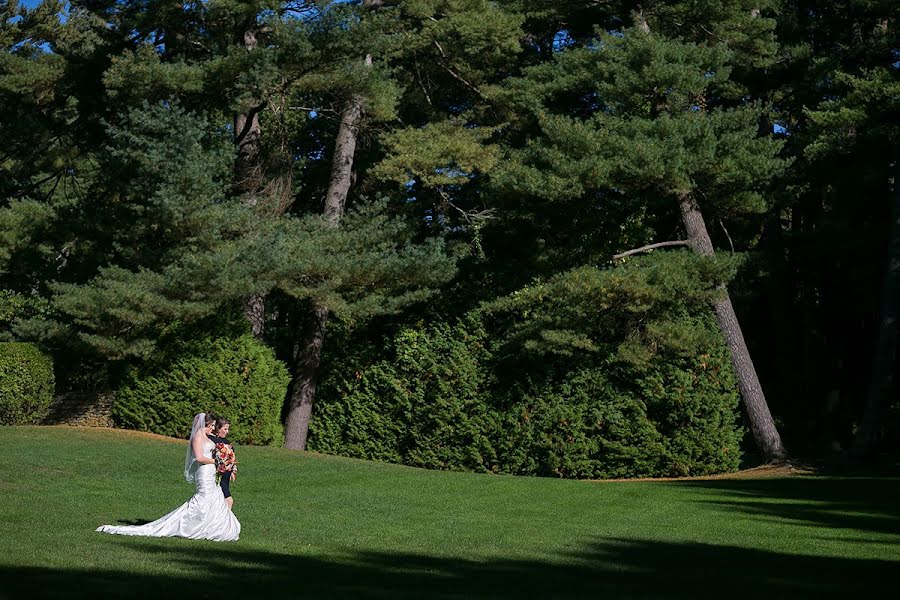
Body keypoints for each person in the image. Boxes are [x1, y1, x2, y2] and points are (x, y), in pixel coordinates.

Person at [95, 412, 240, 542]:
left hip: (212, 472)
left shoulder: (208, 438)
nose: (212, 429)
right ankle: (187, 526)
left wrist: (223, 460)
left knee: (214, 498)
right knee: (203, 498)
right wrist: (217, 461)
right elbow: (199, 457)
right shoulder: (197, 437)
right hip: (203, 472)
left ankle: (212, 526)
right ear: (205, 424)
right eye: (211, 426)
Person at [208, 415, 237, 511]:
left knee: (223, 500)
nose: (227, 432)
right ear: (218, 428)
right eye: (225, 429)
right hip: (218, 473)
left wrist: (233, 469)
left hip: (227, 474)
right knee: (229, 500)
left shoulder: (226, 441)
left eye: (228, 429)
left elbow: (231, 456)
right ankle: (227, 523)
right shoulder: (212, 440)